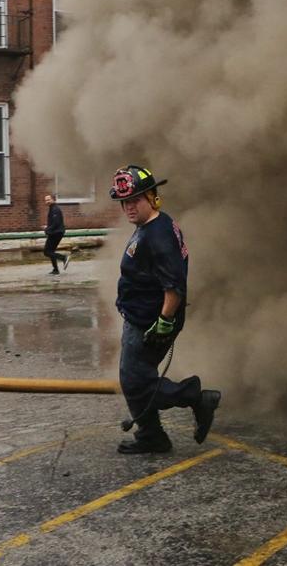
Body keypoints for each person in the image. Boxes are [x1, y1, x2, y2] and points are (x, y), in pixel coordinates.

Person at [110, 164, 220, 454]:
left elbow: (174, 287)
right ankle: (152, 435)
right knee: (134, 378)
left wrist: (163, 321)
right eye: (124, 202)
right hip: (141, 317)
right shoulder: (153, 226)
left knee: (137, 383)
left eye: (135, 200)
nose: (128, 207)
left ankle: (195, 397)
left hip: (149, 322)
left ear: (152, 197)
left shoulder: (157, 236)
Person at [43, 194, 70, 275]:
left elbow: (56, 223)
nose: (47, 202)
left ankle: (64, 258)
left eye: (48, 199)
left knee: (47, 252)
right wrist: (47, 227)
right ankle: (55, 270)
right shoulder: (52, 208)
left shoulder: (55, 209)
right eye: (45, 200)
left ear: (53, 200)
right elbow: (54, 222)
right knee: (51, 251)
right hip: (56, 232)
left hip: (56, 233)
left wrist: (47, 229)